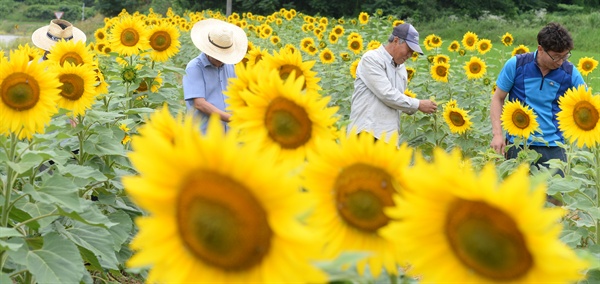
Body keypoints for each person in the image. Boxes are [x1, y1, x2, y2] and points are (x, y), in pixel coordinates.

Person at [490, 22, 587, 174]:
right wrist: (497, 134)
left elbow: (586, 102)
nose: (561, 62)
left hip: (554, 146)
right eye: (556, 57)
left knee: (554, 196)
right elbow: (498, 98)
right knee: (517, 194)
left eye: (565, 56)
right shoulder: (517, 65)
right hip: (518, 143)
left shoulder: (569, 72)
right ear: (540, 49)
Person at [347, 23, 437, 141]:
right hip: (366, 133)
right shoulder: (372, 59)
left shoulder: (401, 69)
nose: (410, 55)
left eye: (413, 52)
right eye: (409, 49)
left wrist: (426, 108)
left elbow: (397, 100)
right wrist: (418, 104)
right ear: (396, 40)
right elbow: (387, 94)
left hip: (388, 138)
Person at [183, 18, 248, 134]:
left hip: (228, 135)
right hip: (203, 134)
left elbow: (236, 93)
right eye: (218, 57)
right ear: (208, 51)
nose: (221, 60)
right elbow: (200, 104)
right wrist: (231, 118)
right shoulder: (194, 68)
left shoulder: (230, 66)